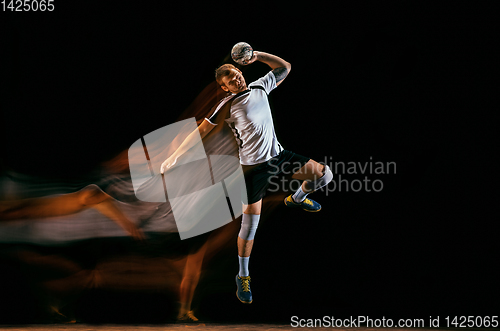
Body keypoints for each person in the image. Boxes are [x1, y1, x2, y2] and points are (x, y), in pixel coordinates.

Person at [160, 49, 333, 304]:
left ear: (242, 72)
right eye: (229, 78)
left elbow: (285, 66)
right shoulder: (226, 104)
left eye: (236, 73)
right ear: (224, 86)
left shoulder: (260, 86)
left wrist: (257, 55)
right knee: (250, 226)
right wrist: (174, 157)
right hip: (252, 169)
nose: (236, 79)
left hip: (279, 156)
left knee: (325, 175)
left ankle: (297, 198)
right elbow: (200, 133)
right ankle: (243, 275)